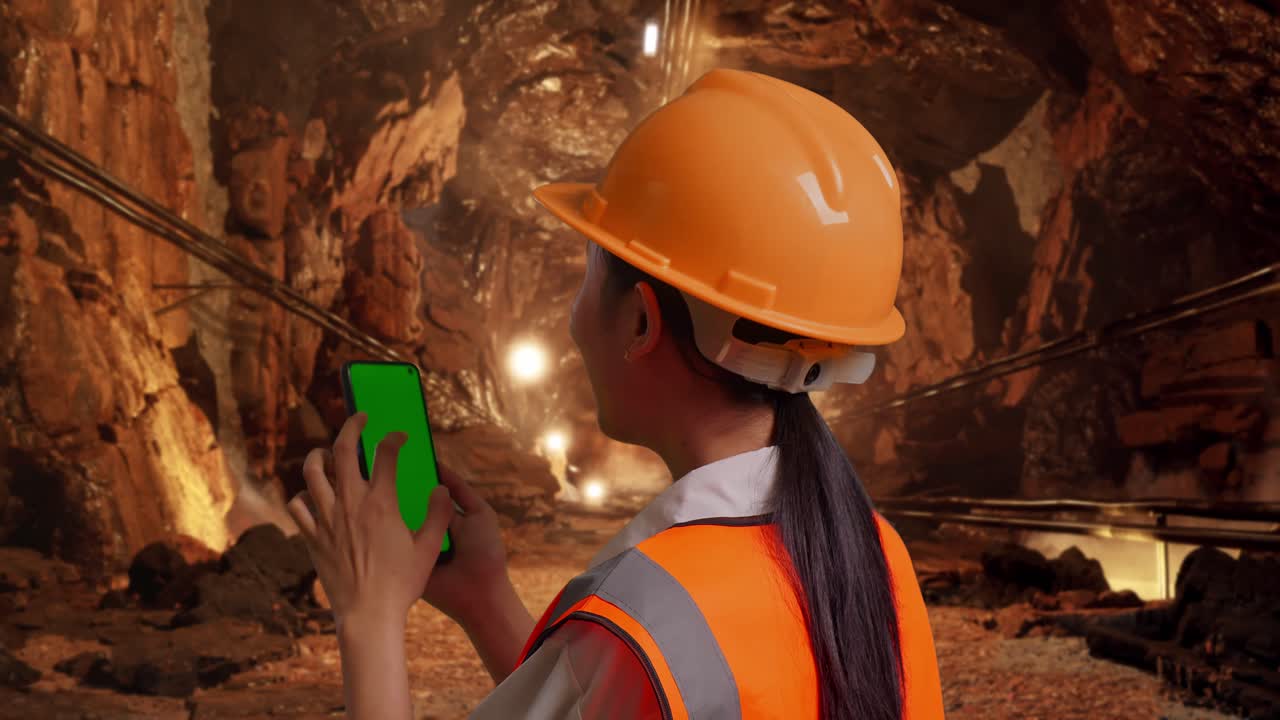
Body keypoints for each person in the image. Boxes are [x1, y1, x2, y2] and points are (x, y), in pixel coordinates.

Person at [286, 68, 945, 719]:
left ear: (639, 322)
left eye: (587, 276)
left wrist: (368, 616)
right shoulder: (875, 557)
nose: (574, 321)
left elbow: (632, 672)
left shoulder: (641, 619)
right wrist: (484, 600)